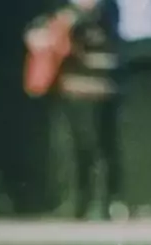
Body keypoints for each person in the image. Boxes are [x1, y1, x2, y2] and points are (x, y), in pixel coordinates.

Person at [25, 0, 123, 219]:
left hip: (101, 92)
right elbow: (35, 35)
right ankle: (74, 203)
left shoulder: (107, 12)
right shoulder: (61, 15)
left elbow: (111, 48)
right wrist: (45, 39)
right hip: (71, 93)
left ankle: (103, 204)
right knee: (72, 151)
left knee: (100, 150)